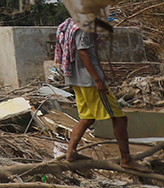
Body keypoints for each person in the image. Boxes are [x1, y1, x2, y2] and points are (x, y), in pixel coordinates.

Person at [57, 18, 141, 169]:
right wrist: (98, 80)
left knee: (87, 118)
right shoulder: (85, 25)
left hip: (77, 80)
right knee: (120, 118)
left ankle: (71, 153)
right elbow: (83, 52)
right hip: (90, 82)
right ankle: (126, 159)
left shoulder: (70, 23)